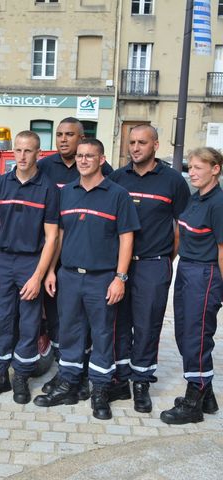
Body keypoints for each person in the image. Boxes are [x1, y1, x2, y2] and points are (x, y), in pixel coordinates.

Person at [33, 139, 140, 421]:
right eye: (79, 156)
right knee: (69, 332)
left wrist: (120, 278)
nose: (82, 160)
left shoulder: (118, 195)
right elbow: (59, 235)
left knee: (103, 335)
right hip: (69, 276)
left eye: (89, 156)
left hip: (102, 279)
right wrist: (52, 270)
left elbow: (126, 238)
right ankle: (69, 384)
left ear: (101, 159)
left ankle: (101, 391)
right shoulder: (66, 193)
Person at [109, 125, 190, 412]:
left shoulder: (173, 181)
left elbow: (181, 227)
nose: (135, 147)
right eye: (131, 142)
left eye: (142, 142)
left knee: (147, 325)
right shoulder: (117, 178)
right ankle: (119, 380)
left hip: (154, 265)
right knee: (118, 322)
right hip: (118, 265)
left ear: (155, 145)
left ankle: (141, 382)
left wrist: (167, 259)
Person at [0, 131, 59, 404]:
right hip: (3, 261)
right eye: (18, 150)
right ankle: (0, 375)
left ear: (39, 154)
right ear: (13, 152)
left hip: (30, 262)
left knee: (29, 323)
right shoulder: (1, 184)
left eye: (28, 151)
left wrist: (39, 275)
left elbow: (52, 236)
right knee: (0, 320)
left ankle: (21, 377)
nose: (22, 156)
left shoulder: (48, 188)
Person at [37, 117, 114, 399]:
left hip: (92, 262)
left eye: (70, 134)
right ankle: (67, 371)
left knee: (93, 324)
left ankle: (85, 378)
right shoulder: (44, 166)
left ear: (82, 138)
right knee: (62, 321)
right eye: (59, 135)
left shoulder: (105, 175)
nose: (63, 139)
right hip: (54, 255)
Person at [160, 147, 223, 425]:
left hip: (206, 273)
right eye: (191, 167)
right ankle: (206, 396)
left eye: (199, 167)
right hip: (186, 269)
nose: (193, 172)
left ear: (215, 169)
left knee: (197, 337)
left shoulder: (219, 204)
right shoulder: (195, 199)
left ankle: (193, 403)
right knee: (184, 333)